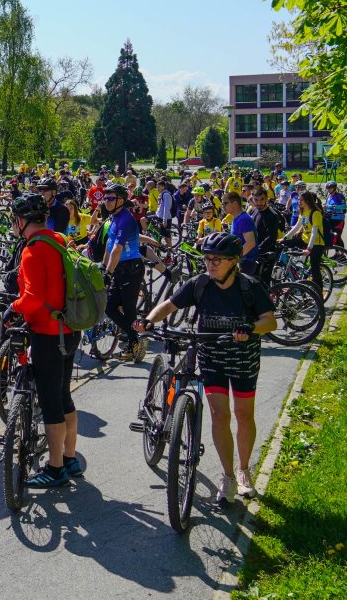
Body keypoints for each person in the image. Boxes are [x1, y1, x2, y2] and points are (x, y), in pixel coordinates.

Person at [134, 232, 276, 503]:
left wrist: (251, 327)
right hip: (211, 358)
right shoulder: (199, 284)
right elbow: (169, 305)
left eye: (217, 260)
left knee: (244, 415)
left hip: (243, 360)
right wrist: (149, 320)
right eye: (207, 259)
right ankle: (228, 477)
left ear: (233, 261)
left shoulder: (249, 287)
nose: (210, 264)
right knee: (219, 415)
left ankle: (243, 470)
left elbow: (270, 321)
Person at [1, 194, 82, 487]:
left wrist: (13, 308)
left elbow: (33, 298)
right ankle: (70, 458)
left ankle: (55, 467)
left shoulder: (33, 250)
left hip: (48, 334)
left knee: (50, 403)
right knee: (63, 395)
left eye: (14, 220)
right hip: (70, 328)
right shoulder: (61, 240)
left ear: (21, 221)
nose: (13, 225)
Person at [100, 183, 147, 362]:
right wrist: (103, 267)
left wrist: (108, 273)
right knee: (109, 306)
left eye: (111, 198)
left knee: (128, 309)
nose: (106, 201)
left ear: (121, 200)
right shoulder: (114, 217)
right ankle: (135, 337)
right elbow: (109, 245)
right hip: (119, 267)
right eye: (105, 198)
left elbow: (117, 249)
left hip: (131, 268)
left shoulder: (126, 219)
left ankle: (134, 345)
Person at [280, 190, 326, 292]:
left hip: (316, 244)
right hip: (304, 240)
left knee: (315, 270)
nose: (298, 201)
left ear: (307, 201)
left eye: (301, 200)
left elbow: (314, 232)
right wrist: (284, 238)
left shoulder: (315, 213)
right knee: (282, 244)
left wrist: (309, 249)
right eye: (298, 199)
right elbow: (297, 227)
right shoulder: (303, 211)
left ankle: (319, 294)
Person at [223, 193, 259, 276]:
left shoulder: (243, 219)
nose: (223, 206)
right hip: (242, 260)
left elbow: (250, 243)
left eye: (225, 203)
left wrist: (235, 258)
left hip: (246, 262)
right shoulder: (236, 218)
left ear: (235, 204)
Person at [325, 181, 345, 246]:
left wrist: (331, 206)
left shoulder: (339, 196)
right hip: (330, 219)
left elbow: (344, 206)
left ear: (334, 188)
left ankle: (341, 251)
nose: (328, 189)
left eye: (330, 188)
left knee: (337, 237)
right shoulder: (329, 196)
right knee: (330, 235)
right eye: (327, 188)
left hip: (338, 219)